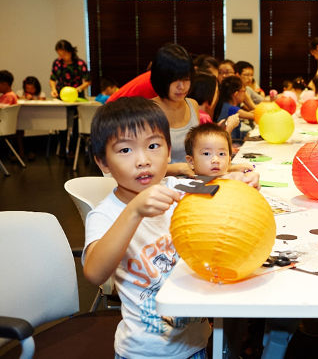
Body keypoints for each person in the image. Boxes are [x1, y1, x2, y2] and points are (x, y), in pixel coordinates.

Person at [82, 97, 211, 359]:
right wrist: (134, 211)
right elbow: (95, 273)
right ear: (103, 163)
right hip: (145, 352)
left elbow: (218, 191)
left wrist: (240, 178)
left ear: (168, 149)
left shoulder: (177, 187)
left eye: (153, 145)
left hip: (197, 341)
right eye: (125, 150)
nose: (143, 160)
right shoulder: (105, 215)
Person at [150, 43, 200, 176]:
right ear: (161, 79)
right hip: (160, 186)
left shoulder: (192, 105)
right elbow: (142, 165)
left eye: (186, 79)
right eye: (174, 80)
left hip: (193, 181)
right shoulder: (148, 112)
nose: (182, 86)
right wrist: (176, 169)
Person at [184, 123, 258, 185]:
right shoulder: (186, 188)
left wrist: (249, 180)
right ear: (191, 161)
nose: (216, 160)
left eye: (221, 154)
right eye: (206, 154)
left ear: (229, 161)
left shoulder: (233, 180)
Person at [214, 75, 254, 142]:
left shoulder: (226, 105)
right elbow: (253, 116)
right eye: (244, 91)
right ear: (236, 93)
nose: (245, 94)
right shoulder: (231, 109)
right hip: (231, 143)